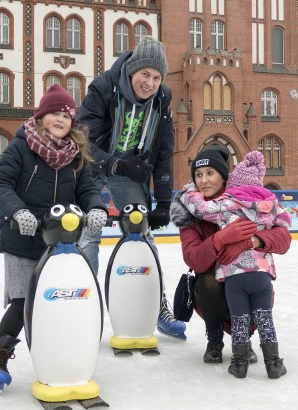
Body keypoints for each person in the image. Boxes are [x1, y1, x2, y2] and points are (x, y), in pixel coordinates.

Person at [0, 84, 108, 394]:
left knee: (64, 299)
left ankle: (63, 356)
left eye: (67, 115)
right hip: (22, 239)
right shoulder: (21, 147)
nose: (61, 119)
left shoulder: (76, 155)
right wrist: (18, 212)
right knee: (23, 302)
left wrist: (97, 207)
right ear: (41, 116)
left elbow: (88, 190)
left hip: (60, 243)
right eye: (55, 113)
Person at [76, 36, 186, 340]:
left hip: (130, 171)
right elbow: (83, 141)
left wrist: (163, 202)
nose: (149, 83)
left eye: (156, 77)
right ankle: (84, 306)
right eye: (144, 75)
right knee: (88, 234)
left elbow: (164, 153)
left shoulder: (163, 100)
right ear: (131, 71)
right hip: (92, 167)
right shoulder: (103, 87)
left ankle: (158, 305)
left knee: (143, 234)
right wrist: (117, 165)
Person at [169, 147, 292, 378]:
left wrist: (253, 240)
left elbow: (284, 238)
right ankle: (215, 338)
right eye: (198, 174)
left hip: (245, 277)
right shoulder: (191, 212)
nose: (204, 180)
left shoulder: (246, 200)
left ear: (223, 176)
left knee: (257, 285)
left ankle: (244, 341)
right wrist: (220, 239)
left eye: (210, 173)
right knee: (208, 283)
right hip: (213, 284)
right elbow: (193, 258)